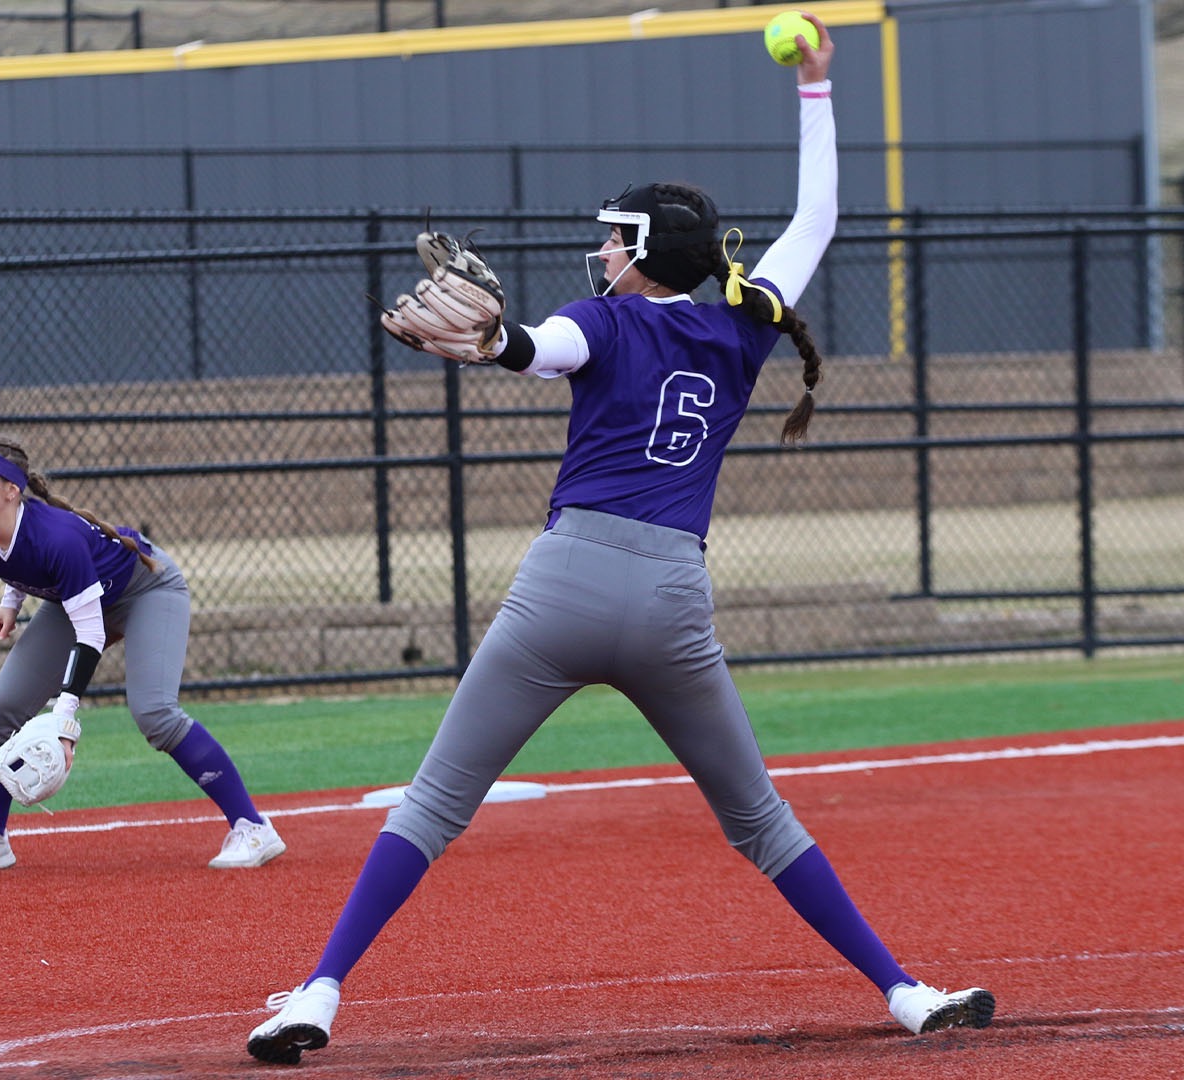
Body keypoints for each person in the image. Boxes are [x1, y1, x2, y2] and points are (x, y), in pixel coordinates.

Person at [245, 15, 991, 1065]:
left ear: (642, 253)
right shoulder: (742, 325)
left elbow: (534, 345)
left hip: (564, 589)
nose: (599, 250)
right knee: (762, 821)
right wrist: (815, 87)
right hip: (673, 599)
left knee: (435, 804)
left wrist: (493, 339)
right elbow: (818, 219)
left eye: (613, 238)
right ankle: (906, 993)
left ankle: (318, 993)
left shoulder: (601, 321)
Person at [0, 435, 285, 873]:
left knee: (155, 714)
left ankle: (253, 827)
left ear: (11, 490)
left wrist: (65, 721)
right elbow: (16, 560)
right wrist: (10, 604)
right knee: (1, 709)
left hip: (145, 591)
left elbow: (91, 633)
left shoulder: (59, 538)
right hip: (76, 599)